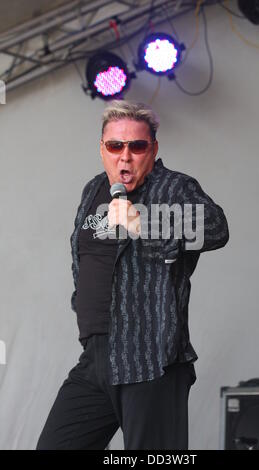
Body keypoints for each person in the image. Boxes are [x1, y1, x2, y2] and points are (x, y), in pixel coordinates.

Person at [36, 100, 229, 450]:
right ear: (102, 149)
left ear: (152, 149)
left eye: (137, 146)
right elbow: (84, 257)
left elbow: (216, 228)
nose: (125, 156)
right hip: (96, 356)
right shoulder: (93, 190)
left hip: (150, 357)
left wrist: (145, 223)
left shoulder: (173, 188)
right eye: (115, 145)